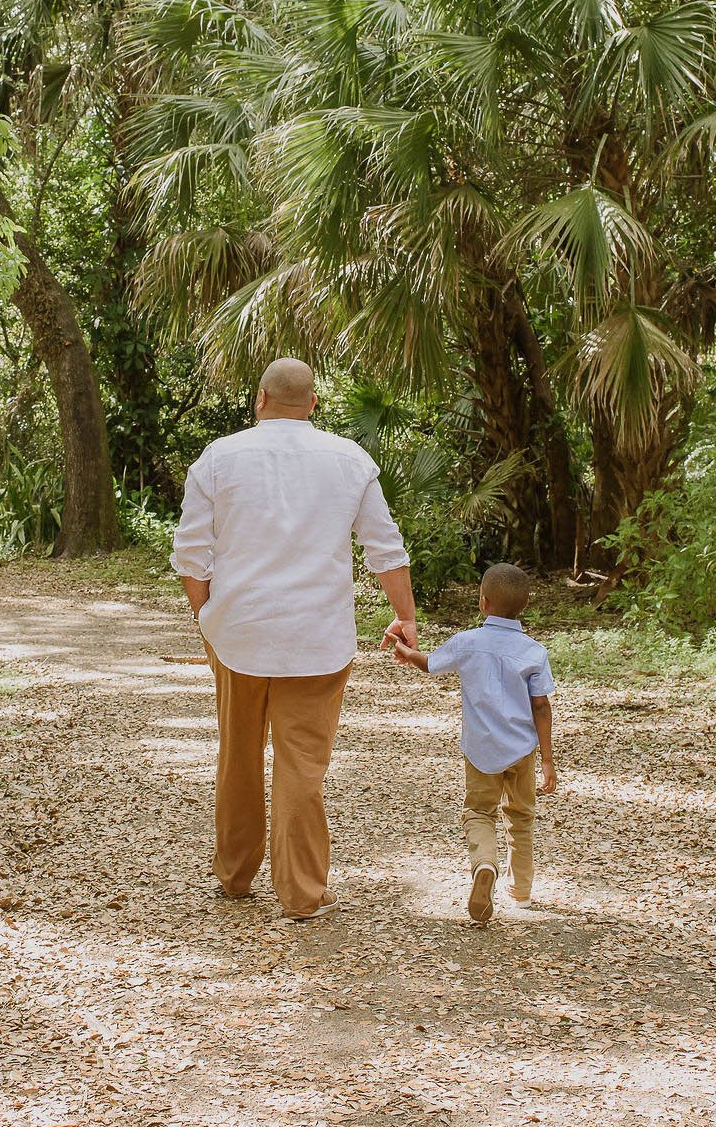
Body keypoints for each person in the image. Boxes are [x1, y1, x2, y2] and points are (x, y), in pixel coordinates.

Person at [170, 357, 416, 921]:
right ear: (312, 405)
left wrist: (207, 615)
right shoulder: (349, 459)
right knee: (301, 764)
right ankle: (303, 895)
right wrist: (405, 616)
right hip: (318, 637)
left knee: (237, 753)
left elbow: (191, 552)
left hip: (238, 632)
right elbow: (386, 547)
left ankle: (234, 876)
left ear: (260, 399)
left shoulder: (219, 457)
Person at [388, 563, 557, 923]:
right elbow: (541, 706)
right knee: (521, 816)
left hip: (481, 750)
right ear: (523, 607)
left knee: (479, 812)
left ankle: (485, 864)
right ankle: (521, 891)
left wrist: (406, 652)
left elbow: (430, 663)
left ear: (483, 602)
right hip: (522, 750)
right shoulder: (534, 652)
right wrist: (547, 761)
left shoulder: (467, 643)